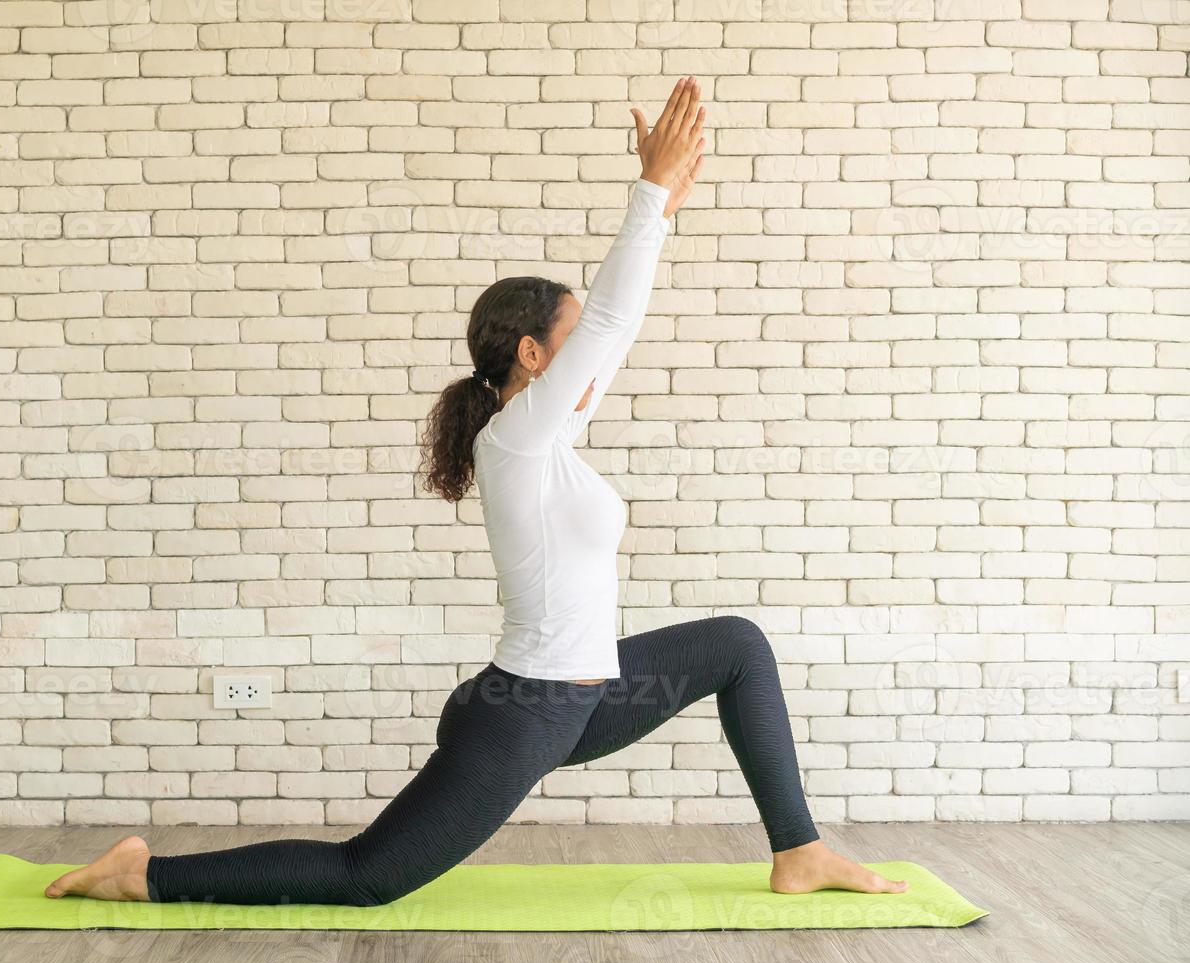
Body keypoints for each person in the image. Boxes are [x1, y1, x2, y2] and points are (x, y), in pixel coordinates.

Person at [45, 76, 907, 906]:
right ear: (533, 355)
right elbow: (609, 324)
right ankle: (141, 874)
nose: (587, 364)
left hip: (589, 695)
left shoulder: (549, 435)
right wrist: (647, 192)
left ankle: (798, 850)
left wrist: (665, 209)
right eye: (566, 344)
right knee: (366, 877)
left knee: (738, 647)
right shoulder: (516, 440)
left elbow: (613, 327)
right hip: (525, 710)